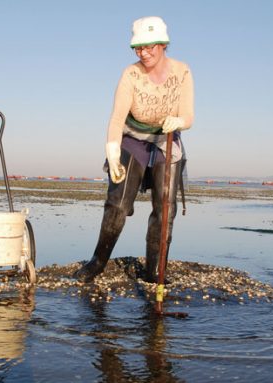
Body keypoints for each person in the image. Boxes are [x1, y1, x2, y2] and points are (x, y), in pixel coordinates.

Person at [74, 16, 194, 283]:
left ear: (163, 44)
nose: (144, 52)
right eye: (139, 47)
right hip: (132, 138)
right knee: (117, 203)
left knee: (165, 209)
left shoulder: (182, 71)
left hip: (166, 139)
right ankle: (97, 262)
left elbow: (188, 114)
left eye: (150, 46)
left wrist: (181, 121)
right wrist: (113, 153)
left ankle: (154, 271)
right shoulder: (130, 74)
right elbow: (117, 119)